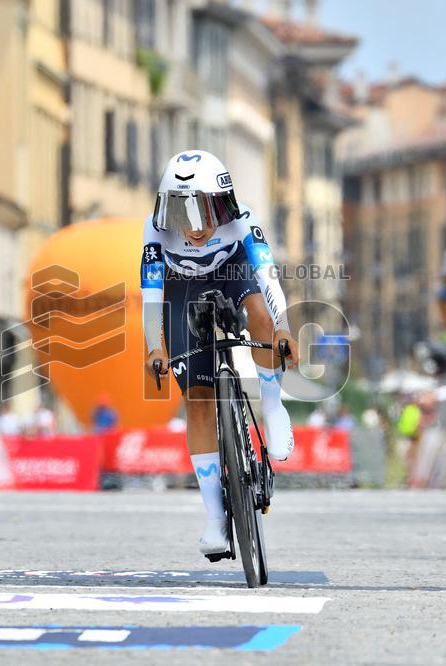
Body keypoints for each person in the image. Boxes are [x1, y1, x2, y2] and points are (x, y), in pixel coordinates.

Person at [141, 149, 299, 556]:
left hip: (234, 273)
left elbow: (267, 276)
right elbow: (151, 294)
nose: (193, 229)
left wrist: (282, 327)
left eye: (202, 212)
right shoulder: (155, 231)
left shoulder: (242, 218)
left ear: (222, 203)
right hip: (182, 288)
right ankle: (215, 518)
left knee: (260, 315)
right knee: (196, 401)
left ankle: (272, 405)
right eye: (181, 214)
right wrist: (155, 346)